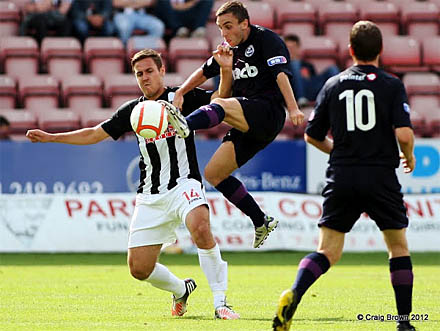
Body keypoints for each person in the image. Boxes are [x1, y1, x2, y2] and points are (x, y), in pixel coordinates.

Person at [26, 49, 239, 320]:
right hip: (150, 195)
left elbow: (220, 99)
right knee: (139, 269)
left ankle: (221, 302)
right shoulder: (133, 110)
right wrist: (52, 138)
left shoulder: (181, 97)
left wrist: (224, 69)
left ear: (162, 71)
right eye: (139, 74)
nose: (145, 78)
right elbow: (94, 134)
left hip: (185, 184)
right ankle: (180, 289)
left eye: (150, 71)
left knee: (200, 227)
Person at [272, 21, 416, 331]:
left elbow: (312, 135)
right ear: (380, 50)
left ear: (350, 51)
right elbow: (404, 134)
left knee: (327, 251)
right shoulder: (391, 85)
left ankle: (294, 296)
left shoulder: (333, 84)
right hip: (380, 176)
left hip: (342, 176)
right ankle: (404, 323)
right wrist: (410, 155)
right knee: (398, 248)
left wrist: (339, 151)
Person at [162, 0, 304, 249]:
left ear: (245, 23)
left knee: (223, 104)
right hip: (247, 122)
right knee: (214, 173)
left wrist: (293, 108)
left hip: (268, 112)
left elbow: (281, 74)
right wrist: (181, 92)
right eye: (220, 28)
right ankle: (261, 220)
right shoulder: (228, 49)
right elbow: (205, 71)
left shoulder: (266, 40)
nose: (224, 34)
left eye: (228, 27)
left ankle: (184, 125)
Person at [284, 34, 340, 107]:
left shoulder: (307, 65)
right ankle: (301, 98)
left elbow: (313, 80)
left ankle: (339, 97)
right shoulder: (282, 66)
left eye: (293, 48)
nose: (290, 51)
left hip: (310, 89)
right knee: (295, 63)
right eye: (288, 48)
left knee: (332, 69)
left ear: (298, 48)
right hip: (293, 91)